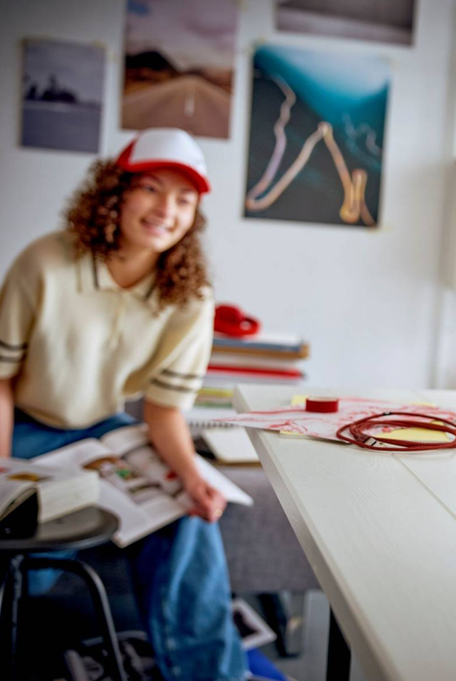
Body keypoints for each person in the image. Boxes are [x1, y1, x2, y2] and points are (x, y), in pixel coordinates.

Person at [0, 128, 246, 678]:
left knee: (189, 511)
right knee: (20, 539)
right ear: (116, 193)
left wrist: (191, 474)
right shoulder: (44, 262)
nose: (167, 210)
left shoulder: (190, 296)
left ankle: (211, 675)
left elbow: (162, 410)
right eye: (153, 190)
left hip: (104, 428)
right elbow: (1, 379)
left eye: (185, 200)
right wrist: (2, 467)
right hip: (24, 424)